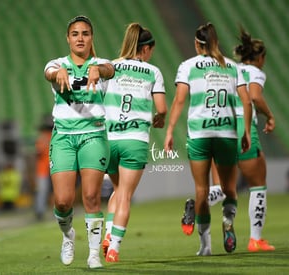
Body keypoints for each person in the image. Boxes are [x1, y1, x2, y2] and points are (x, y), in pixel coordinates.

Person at [164, 23, 252, 256]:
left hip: (199, 135)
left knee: (202, 190)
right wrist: (245, 132)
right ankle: (227, 220)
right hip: (226, 134)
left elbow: (179, 101)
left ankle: (205, 247)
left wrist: (170, 130)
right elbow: (247, 101)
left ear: (196, 43)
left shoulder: (188, 66)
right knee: (229, 189)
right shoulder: (233, 67)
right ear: (216, 43)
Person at [44, 15, 114, 268]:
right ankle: (68, 235)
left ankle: (94, 253)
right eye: (75, 34)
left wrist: (98, 70)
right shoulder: (57, 63)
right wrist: (58, 73)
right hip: (63, 137)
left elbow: (111, 69)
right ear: (68, 38)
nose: (80, 38)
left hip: (93, 134)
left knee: (91, 196)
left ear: (91, 37)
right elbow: (48, 73)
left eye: (85, 33)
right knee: (62, 200)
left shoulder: (101, 64)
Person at [197, 27, 275, 252]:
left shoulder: (228, 67)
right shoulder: (255, 72)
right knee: (257, 184)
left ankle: (200, 200)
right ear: (260, 58)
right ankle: (255, 239)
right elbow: (254, 96)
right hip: (242, 125)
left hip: (220, 126)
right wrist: (269, 116)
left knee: (224, 185)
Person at [101, 23, 167, 262]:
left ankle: (107, 235)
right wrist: (159, 119)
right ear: (146, 49)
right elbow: (161, 108)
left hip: (109, 141)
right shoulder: (152, 72)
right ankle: (115, 248)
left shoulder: (110, 67)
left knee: (117, 193)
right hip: (134, 141)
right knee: (125, 196)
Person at [34, 124, 53, 220]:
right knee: (45, 191)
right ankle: (40, 211)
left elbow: (38, 151)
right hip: (52, 169)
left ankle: (40, 211)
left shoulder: (45, 137)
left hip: (45, 170)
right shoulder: (52, 137)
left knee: (43, 191)